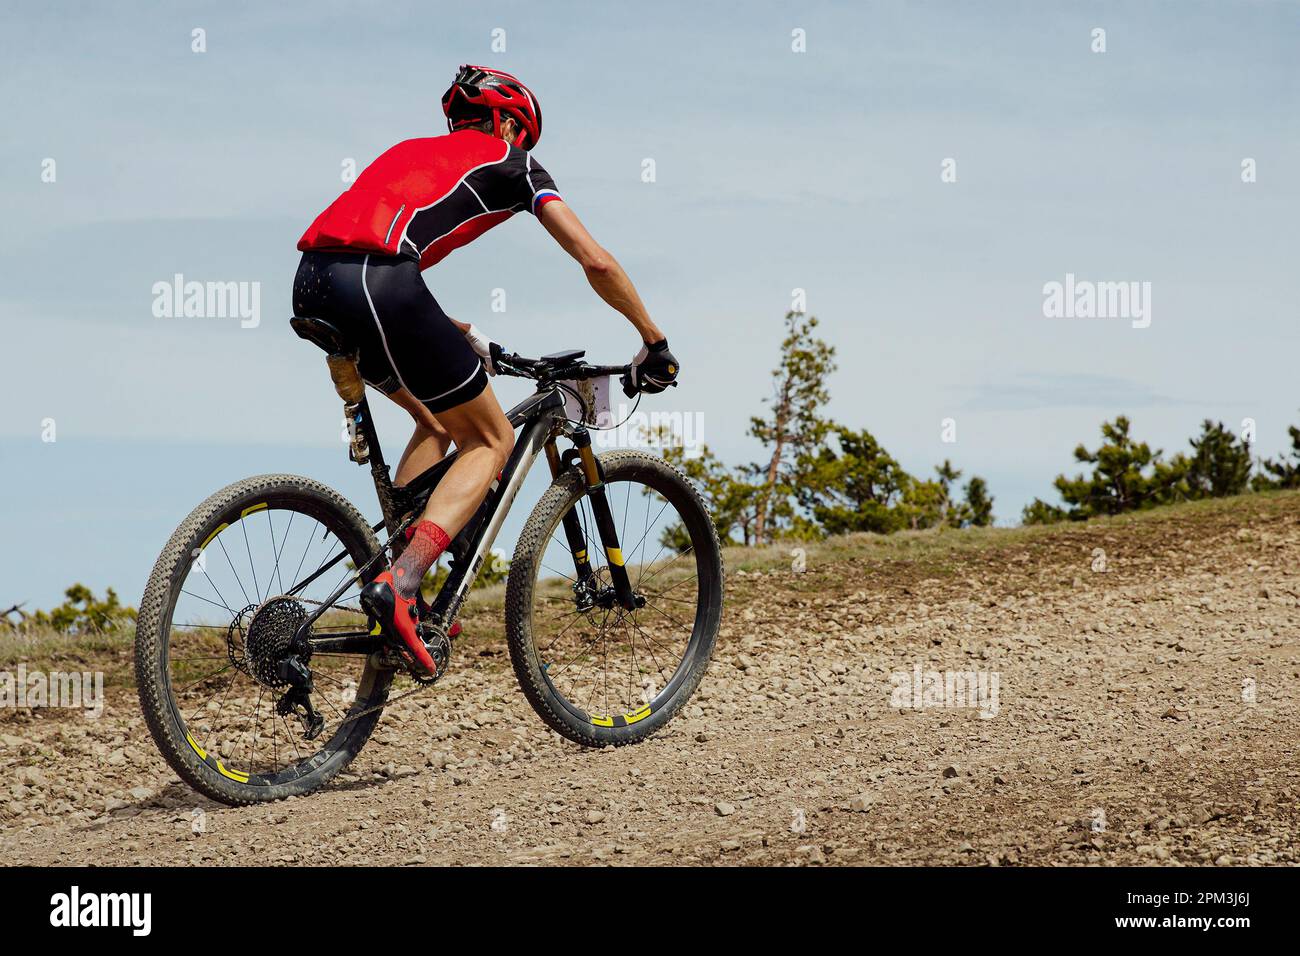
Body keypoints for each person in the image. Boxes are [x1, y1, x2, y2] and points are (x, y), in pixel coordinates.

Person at [292, 65, 678, 675]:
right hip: (380, 285)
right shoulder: (514, 161)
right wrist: (653, 340)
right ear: (508, 123)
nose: (522, 150)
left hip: (313, 285)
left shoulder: (412, 151)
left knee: (437, 423)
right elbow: (595, 260)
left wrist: (447, 331)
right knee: (492, 439)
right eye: (522, 136)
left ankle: (397, 577)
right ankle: (403, 583)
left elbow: (380, 243)